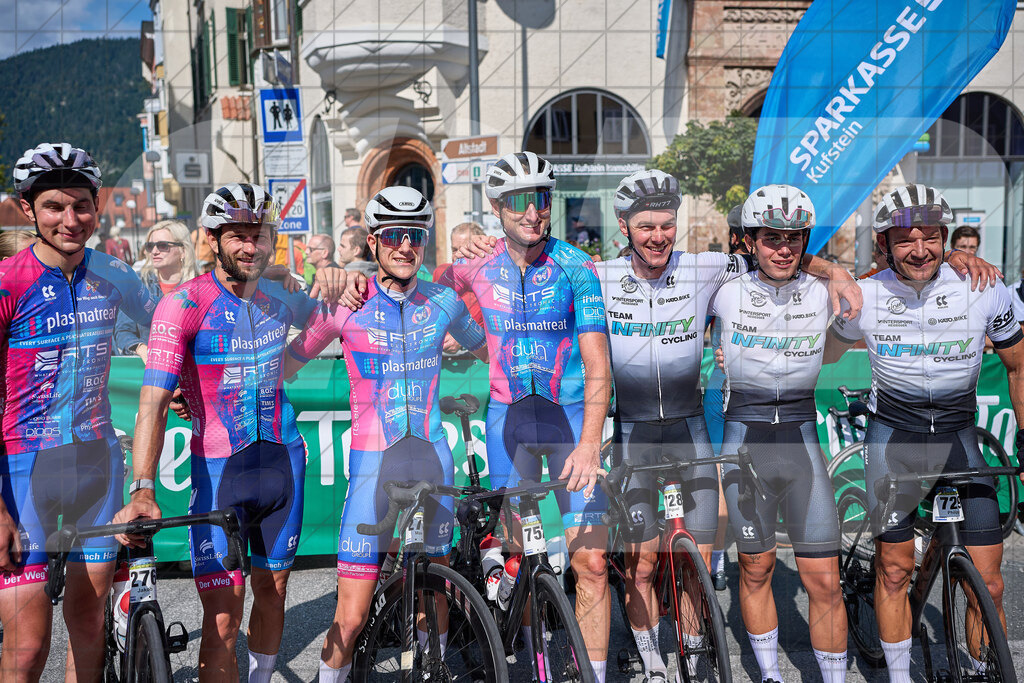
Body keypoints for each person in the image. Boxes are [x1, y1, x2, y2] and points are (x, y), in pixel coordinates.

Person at [599, 173, 860, 683]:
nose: (658, 235)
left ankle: (698, 652)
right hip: (637, 436)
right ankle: (653, 662)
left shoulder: (709, 270)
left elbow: (786, 256)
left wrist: (836, 270)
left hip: (719, 434)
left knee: (703, 565)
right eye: (646, 226)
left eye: (667, 224)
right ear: (624, 226)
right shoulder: (601, 275)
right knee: (643, 566)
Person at [113, 183, 323, 682]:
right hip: (218, 474)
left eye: (260, 234)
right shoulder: (183, 304)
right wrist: (142, 488)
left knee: (275, 591)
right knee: (223, 620)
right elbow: (153, 402)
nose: (251, 245)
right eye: (237, 235)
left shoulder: (282, 298)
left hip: (284, 465)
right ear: (211, 239)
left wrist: (340, 276)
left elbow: (339, 315)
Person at [282, 186, 488, 682]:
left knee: (433, 594)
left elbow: (493, 351)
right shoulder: (346, 304)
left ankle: (432, 672)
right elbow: (286, 363)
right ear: (373, 242)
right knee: (352, 616)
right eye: (394, 235)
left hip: (434, 460)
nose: (405, 246)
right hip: (372, 469)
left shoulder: (443, 301)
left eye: (415, 235)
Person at [824, 184, 1022, 683]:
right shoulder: (865, 295)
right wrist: (832, 287)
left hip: (959, 438)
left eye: (931, 237)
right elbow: (824, 354)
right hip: (895, 440)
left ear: (945, 238)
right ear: (884, 244)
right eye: (905, 239)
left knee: (990, 585)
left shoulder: (982, 286)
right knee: (894, 571)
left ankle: (983, 669)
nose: (920, 249)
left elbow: (1018, 365)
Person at [0, 142, 158, 680]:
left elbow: (174, 327)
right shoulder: (9, 281)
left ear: (96, 206)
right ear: (29, 210)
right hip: (22, 473)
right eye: (54, 207)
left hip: (98, 466)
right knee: (26, 647)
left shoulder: (116, 274)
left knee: (89, 623)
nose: (70, 220)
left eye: (81, 206)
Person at [711, 185, 848, 683]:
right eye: (772, 238)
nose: (784, 248)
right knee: (756, 569)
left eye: (794, 238)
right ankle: (770, 675)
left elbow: (890, 279)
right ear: (750, 241)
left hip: (800, 438)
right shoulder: (723, 286)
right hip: (744, 439)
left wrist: (835, 270)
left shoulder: (824, 289)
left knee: (825, 580)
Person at [114, 219, 199, 360]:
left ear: (183, 251)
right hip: (148, 368)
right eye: (150, 246)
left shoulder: (200, 287)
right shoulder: (137, 284)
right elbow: (123, 331)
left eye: (162, 245)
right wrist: (141, 349)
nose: (154, 251)